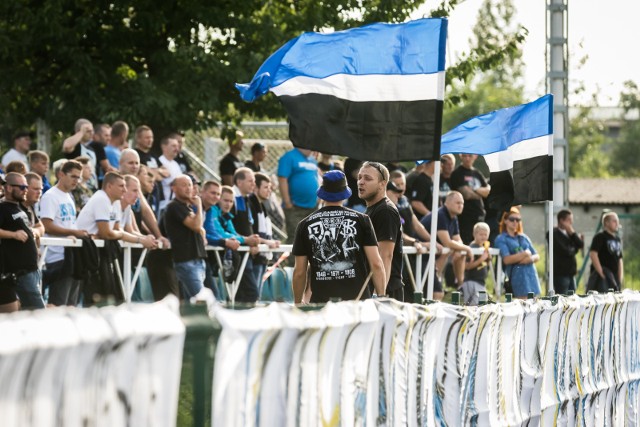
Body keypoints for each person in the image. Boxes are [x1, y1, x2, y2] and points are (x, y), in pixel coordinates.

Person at [293, 170, 386, 303]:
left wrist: (298, 302)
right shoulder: (362, 220)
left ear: (322, 194)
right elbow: (376, 263)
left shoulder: (304, 224)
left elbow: (299, 272)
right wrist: (381, 297)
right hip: (358, 304)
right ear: (344, 194)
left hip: (322, 304)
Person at [40, 160, 89, 306]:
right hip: (57, 257)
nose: (77, 181)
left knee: (71, 305)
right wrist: (74, 232)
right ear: (61, 174)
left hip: (71, 255)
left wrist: (78, 233)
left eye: (78, 177)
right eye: (73, 176)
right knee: (58, 304)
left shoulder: (69, 196)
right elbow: (46, 225)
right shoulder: (50, 196)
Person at [358, 161, 404, 300]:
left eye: (368, 178)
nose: (361, 182)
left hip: (385, 292)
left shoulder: (386, 211)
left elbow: (385, 256)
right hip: (374, 289)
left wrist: (380, 297)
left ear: (382, 184)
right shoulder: (373, 209)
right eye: (360, 177)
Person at [0, 172, 44, 309]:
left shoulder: (20, 206)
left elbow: (40, 226)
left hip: (32, 269)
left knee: (27, 317)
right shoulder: (2, 208)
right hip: (21, 272)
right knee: (40, 314)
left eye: (26, 186)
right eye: (22, 187)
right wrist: (13, 234)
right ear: (8, 188)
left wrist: (35, 233)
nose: (26, 189)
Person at [420, 191, 473, 300]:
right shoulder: (441, 214)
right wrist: (467, 248)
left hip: (433, 257)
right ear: (447, 203)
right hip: (419, 256)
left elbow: (457, 240)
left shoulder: (453, 217)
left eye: (462, 203)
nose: (460, 206)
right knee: (436, 294)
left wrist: (460, 249)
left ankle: (460, 284)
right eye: (457, 202)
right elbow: (447, 242)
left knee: (458, 252)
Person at [162, 174, 207, 299]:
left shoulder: (187, 208)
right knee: (201, 299)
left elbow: (200, 228)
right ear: (174, 188)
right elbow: (196, 225)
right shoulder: (174, 206)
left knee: (190, 303)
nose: (188, 188)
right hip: (186, 261)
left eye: (190, 185)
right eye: (183, 185)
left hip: (197, 260)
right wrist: (199, 206)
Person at [494, 207, 541, 299]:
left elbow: (537, 255)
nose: (515, 222)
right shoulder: (501, 238)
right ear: (505, 220)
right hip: (517, 279)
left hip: (532, 278)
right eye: (512, 219)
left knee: (535, 309)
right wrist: (525, 254)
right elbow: (507, 260)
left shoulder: (523, 237)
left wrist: (529, 259)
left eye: (518, 219)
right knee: (522, 309)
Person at [277, 147, 319, 243]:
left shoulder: (312, 160)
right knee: (296, 239)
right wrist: (287, 203)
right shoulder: (289, 157)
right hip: (295, 208)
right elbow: (282, 179)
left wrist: (317, 199)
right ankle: (293, 259)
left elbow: (316, 178)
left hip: (312, 208)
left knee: (313, 239)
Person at [450, 154, 491, 244]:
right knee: (467, 244)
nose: (467, 158)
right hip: (465, 217)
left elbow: (488, 192)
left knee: (480, 244)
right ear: (460, 156)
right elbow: (466, 194)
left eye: (470, 156)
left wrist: (474, 189)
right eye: (464, 156)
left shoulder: (477, 173)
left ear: (475, 156)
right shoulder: (457, 173)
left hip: (479, 215)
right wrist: (480, 192)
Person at [588, 211, 623, 292]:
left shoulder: (617, 239)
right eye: (614, 221)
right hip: (603, 278)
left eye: (617, 221)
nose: (617, 223)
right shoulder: (600, 237)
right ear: (606, 223)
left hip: (614, 278)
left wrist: (619, 278)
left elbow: (620, 259)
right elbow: (593, 254)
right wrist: (601, 273)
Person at [553, 209, 584, 294]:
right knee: (563, 298)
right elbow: (565, 251)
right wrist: (575, 248)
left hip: (571, 273)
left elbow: (580, 245)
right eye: (569, 220)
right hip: (561, 273)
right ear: (561, 220)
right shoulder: (553, 233)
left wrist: (573, 233)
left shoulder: (569, 233)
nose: (571, 222)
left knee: (572, 296)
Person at [460, 222, 491, 305]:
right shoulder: (472, 248)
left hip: (481, 282)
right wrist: (481, 259)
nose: (483, 237)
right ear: (474, 234)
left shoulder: (483, 248)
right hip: (471, 282)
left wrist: (487, 259)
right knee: (472, 307)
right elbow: (467, 266)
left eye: (485, 234)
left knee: (482, 306)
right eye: (481, 234)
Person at [158, 135, 182, 211]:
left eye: (177, 146)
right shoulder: (160, 162)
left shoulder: (175, 164)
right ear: (164, 147)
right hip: (165, 205)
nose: (177, 149)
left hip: (176, 203)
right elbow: (173, 183)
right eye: (173, 146)